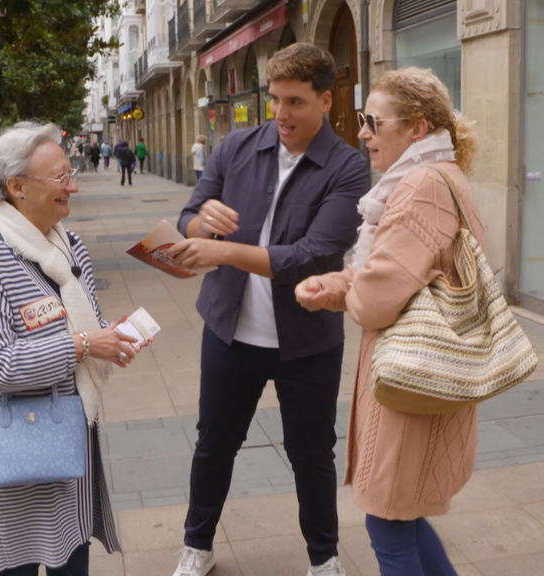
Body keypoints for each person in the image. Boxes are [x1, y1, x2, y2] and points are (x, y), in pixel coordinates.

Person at [167, 43, 369, 576]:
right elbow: (189, 217)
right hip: (231, 333)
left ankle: (324, 560)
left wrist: (223, 250)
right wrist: (199, 222)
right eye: (275, 100)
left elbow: (311, 255)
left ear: (326, 101)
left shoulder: (348, 168)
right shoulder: (236, 147)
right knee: (214, 445)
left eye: (296, 102)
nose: (281, 114)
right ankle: (198, 546)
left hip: (308, 342)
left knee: (311, 455)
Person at [294, 68, 481, 576]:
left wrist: (343, 292)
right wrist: (340, 285)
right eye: (361, 119)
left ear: (417, 129)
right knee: (404, 516)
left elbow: (378, 299)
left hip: (412, 382)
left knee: (389, 521)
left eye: (373, 121)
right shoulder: (435, 176)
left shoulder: (420, 186)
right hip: (424, 376)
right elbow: (392, 272)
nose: (362, 132)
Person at [0, 121, 146, 576]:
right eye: (60, 177)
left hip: (66, 435)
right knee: (13, 561)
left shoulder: (67, 243)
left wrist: (105, 339)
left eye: (69, 170)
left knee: (71, 556)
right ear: (16, 187)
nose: (72, 184)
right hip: (13, 444)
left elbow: (81, 324)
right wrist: (81, 344)